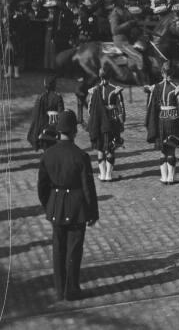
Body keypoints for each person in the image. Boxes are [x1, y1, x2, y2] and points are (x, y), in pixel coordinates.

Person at [37, 109, 99, 302]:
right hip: (77, 208)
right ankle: (72, 289)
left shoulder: (48, 155)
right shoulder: (81, 156)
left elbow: (42, 187)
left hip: (56, 205)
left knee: (58, 249)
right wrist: (92, 212)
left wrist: (50, 204)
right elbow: (88, 187)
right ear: (74, 131)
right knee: (74, 250)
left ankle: (59, 289)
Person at [145, 62, 179, 185]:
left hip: (160, 120)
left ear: (162, 72)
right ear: (173, 72)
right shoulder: (176, 88)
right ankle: (171, 177)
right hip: (173, 120)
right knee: (172, 150)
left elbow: (150, 105)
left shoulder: (156, 87)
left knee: (162, 150)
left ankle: (163, 177)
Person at [86, 70, 126, 182]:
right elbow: (120, 108)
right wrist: (122, 122)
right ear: (110, 76)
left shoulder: (94, 90)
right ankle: (109, 174)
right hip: (112, 122)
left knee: (100, 149)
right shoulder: (115, 89)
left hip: (99, 123)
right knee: (111, 148)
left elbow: (90, 109)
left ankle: (102, 174)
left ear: (99, 76)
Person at [27, 75, 65, 151]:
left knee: (46, 149)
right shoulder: (57, 97)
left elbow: (36, 115)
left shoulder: (40, 97)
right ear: (54, 85)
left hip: (42, 128)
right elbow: (61, 113)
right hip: (53, 127)